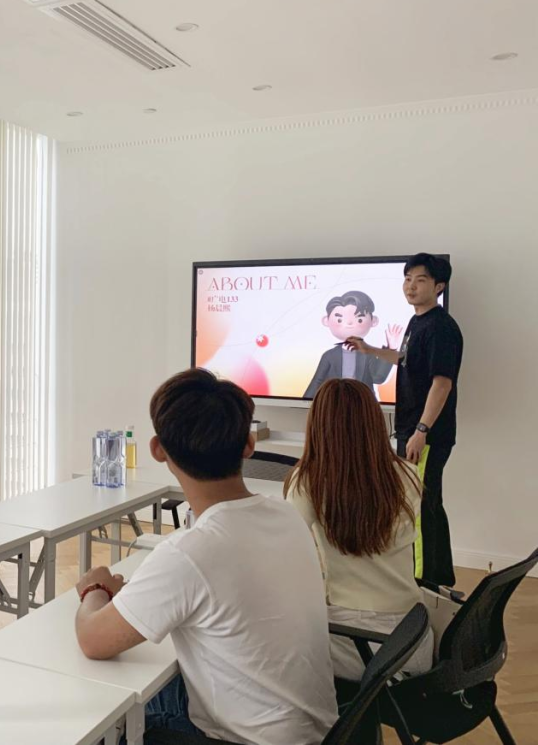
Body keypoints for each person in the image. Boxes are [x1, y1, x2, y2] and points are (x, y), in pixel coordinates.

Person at [73, 369, 337, 743]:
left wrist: (95, 588)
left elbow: (92, 640)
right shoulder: (286, 515)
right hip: (314, 732)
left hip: (238, 739)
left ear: (157, 449)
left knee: (100, 708)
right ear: (249, 445)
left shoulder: (189, 553)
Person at [285, 379, 433, 681]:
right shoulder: (409, 474)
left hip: (360, 646)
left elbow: (284, 548)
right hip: (413, 643)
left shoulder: (308, 480)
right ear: (375, 422)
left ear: (318, 426)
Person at [346, 253, 463, 586]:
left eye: (420, 280)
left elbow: (442, 383)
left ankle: (423, 583)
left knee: (419, 507)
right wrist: (370, 350)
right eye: (408, 279)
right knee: (427, 503)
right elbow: (406, 359)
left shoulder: (441, 328)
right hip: (412, 430)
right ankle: (438, 578)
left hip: (425, 434)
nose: (411, 286)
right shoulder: (418, 322)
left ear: (439, 286)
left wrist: (421, 430)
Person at [303, 290, 403, 399]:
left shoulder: (368, 353)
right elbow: (317, 381)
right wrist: (303, 403)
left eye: (359, 320)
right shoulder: (329, 355)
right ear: (326, 321)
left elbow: (378, 378)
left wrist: (391, 348)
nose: (349, 324)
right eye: (339, 320)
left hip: (362, 402)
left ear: (373, 321)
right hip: (335, 402)